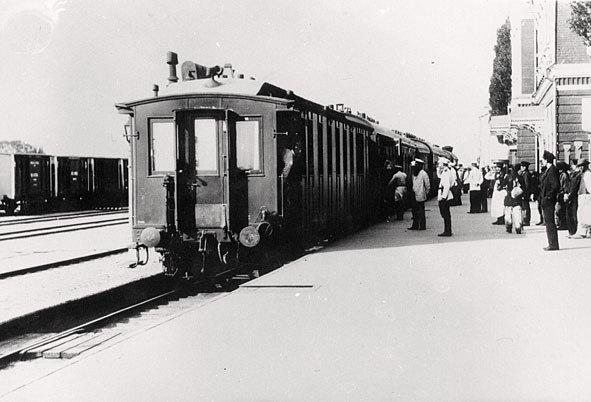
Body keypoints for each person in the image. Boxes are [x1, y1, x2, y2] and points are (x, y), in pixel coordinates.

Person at [540, 151, 560, 251]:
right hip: (546, 201)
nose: (541, 162)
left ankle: (553, 244)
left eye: (542, 160)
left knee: (550, 223)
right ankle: (551, 243)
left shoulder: (552, 170)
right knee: (548, 222)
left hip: (549, 201)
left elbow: (555, 185)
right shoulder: (549, 170)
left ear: (546, 160)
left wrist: (548, 197)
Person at [570, 159, 591, 239]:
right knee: (584, 214)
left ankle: (582, 233)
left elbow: (589, 187)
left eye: (582, 166)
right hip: (583, 195)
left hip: (586, 196)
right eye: (579, 166)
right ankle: (585, 232)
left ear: (585, 166)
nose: (580, 168)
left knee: (583, 215)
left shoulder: (588, 174)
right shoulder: (585, 174)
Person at [408, 159, 430, 230]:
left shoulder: (423, 174)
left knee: (421, 211)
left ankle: (422, 225)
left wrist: (426, 193)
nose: (415, 167)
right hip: (414, 194)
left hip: (420, 194)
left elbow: (427, 185)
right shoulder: (414, 173)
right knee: (414, 211)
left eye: (417, 165)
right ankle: (415, 225)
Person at [502, 167, 524, 234]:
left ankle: (509, 226)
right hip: (517, 198)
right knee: (517, 213)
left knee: (508, 213)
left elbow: (502, 185)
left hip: (509, 197)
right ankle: (518, 227)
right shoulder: (520, 178)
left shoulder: (507, 177)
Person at [437, 157, 455, 236]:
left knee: (445, 214)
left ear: (442, 164)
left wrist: (443, 197)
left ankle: (447, 231)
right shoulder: (448, 171)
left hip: (445, 195)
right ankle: (447, 230)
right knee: (446, 214)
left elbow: (446, 185)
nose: (438, 164)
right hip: (446, 194)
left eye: (439, 163)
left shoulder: (445, 173)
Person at [565, 159, 582, 237]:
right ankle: (571, 231)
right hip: (571, 196)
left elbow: (575, 187)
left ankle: (574, 231)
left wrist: (569, 195)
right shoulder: (573, 174)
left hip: (574, 197)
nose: (572, 166)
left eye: (573, 165)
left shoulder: (578, 175)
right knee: (570, 214)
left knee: (574, 215)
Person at [555, 161, 570, 230]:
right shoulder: (561, 175)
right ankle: (562, 223)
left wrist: (564, 193)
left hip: (562, 194)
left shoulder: (564, 175)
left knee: (561, 210)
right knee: (559, 210)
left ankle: (563, 224)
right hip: (560, 194)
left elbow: (565, 186)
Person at [517, 161, 532, 226]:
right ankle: (525, 220)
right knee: (525, 206)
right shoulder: (524, 173)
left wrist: (524, 192)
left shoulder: (526, 174)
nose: (521, 168)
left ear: (525, 167)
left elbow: (527, 184)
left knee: (525, 207)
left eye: (522, 166)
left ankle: (526, 220)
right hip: (525, 192)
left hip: (525, 193)